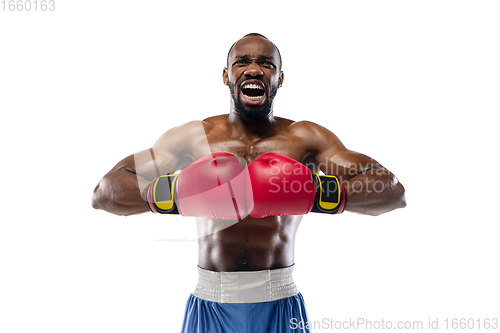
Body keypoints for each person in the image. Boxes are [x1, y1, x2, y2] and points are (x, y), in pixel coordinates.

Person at [92, 33, 406, 333]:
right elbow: (105, 192)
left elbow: (391, 191)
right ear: (226, 75)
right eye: (242, 61)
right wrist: (176, 193)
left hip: (280, 305)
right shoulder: (194, 137)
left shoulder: (306, 137)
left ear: (279, 79)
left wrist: (314, 192)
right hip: (210, 305)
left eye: (266, 63)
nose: (254, 69)